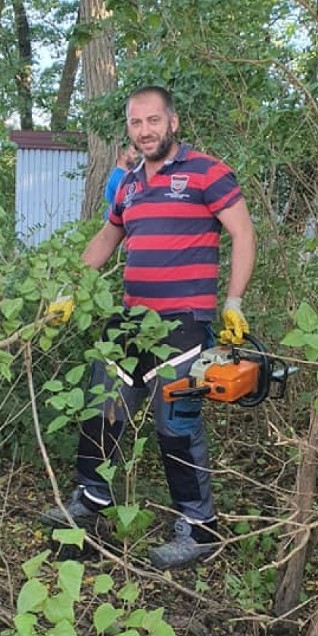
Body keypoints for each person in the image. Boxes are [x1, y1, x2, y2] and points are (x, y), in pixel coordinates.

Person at [42, 85, 256, 570]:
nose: (145, 131)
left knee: (175, 426)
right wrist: (69, 290)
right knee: (101, 405)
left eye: (153, 121)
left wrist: (234, 302)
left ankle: (199, 529)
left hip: (186, 321)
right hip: (133, 319)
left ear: (172, 122)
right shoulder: (130, 183)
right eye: (136, 123)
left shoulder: (208, 172)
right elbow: (106, 237)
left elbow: (243, 232)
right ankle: (90, 501)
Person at [104, 143, 137, 217]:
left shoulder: (122, 176)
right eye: (133, 153)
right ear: (123, 155)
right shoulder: (120, 179)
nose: (136, 156)